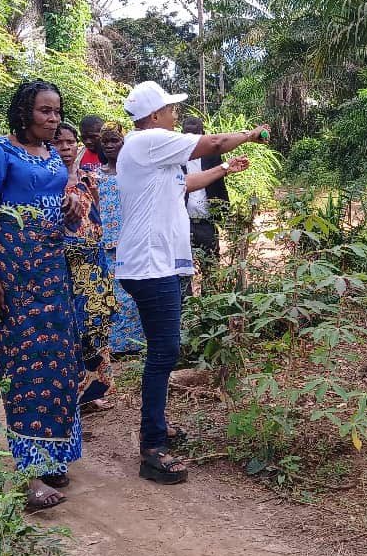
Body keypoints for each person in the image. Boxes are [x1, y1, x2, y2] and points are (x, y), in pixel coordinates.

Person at [115, 80, 268, 484]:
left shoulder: (150, 152)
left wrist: (224, 170)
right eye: (169, 109)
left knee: (164, 351)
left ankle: (158, 427)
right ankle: (151, 447)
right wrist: (250, 135)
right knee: (164, 353)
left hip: (159, 264)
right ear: (153, 116)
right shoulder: (149, 139)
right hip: (152, 266)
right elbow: (213, 141)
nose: (174, 114)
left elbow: (184, 184)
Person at [0, 80, 84, 511]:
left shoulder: (54, 155)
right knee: (24, 363)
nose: (53, 120)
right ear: (24, 112)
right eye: (45, 112)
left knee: (59, 358)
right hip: (15, 269)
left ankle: (55, 456)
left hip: (53, 267)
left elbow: (61, 209)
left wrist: (72, 208)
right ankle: (30, 473)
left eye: (57, 112)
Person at [54, 122, 117, 411]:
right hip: (64, 265)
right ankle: (70, 394)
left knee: (96, 324)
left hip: (93, 260)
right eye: (59, 143)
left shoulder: (89, 178)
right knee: (70, 328)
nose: (65, 148)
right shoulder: (46, 182)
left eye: (70, 142)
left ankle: (93, 392)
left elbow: (98, 216)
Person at [96, 122, 145, 355]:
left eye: (114, 140)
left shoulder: (133, 172)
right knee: (111, 293)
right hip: (105, 241)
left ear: (123, 142)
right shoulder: (95, 175)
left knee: (133, 291)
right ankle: (115, 345)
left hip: (131, 239)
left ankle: (136, 343)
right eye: (105, 141)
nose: (109, 145)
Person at [180, 116, 232, 294]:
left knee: (210, 268)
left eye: (196, 135)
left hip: (207, 223)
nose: (192, 140)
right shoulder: (175, 158)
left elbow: (220, 186)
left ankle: (209, 308)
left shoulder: (213, 156)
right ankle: (186, 310)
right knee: (182, 270)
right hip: (181, 224)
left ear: (203, 135)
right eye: (188, 136)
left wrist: (226, 215)